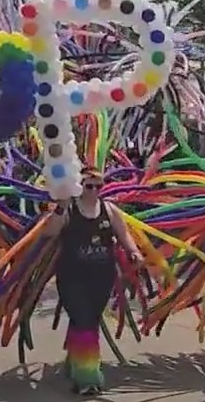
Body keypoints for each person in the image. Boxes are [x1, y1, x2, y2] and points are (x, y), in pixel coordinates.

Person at [43, 166, 142, 396]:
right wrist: (61, 207)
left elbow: (123, 234)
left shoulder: (109, 209)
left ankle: (75, 362)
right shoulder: (69, 209)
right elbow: (49, 232)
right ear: (79, 186)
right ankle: (88, 377)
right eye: (89, 186)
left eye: (99, 186)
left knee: (88, 321)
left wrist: (134, 252)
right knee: (84, 319)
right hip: (72, 277)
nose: (94, 191)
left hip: (102, 276)